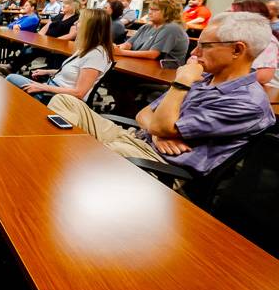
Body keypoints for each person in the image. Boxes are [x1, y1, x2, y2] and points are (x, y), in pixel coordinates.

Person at [48, 11, 275, 177]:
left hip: (162, 165)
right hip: (137, 137)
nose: (194, 53)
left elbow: (159, 124)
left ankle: (61, 170)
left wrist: (181, 83)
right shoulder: (203, 77)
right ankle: (62, 162)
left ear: (237, 49)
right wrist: (158, 132)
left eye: (204, 46)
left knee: (103, 154)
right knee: (65, 101)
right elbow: (145, 113)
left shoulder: (248, 103)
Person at [6, 9, 114, 103]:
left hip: (58, 98)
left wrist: (43, 87)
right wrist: (47, 71)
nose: (76, 23)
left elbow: (79, 93)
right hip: (51, 89)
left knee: (11, 80)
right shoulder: (87, 48)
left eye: (80, 21)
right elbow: (73, 72)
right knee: (12, 83)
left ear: (91, 27)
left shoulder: (96, 55)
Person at [4, 0, 81, 74]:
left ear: (73, 6)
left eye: (66, 4)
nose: (63, 5)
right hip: (46, 43)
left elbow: (72, 35)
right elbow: (45, 28)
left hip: (59, 46)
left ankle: (12, 68)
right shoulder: (59, 16)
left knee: (30, 51)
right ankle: (11, 67)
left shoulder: (76, 18)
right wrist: (38, 38)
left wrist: (54, 41)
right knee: (27, 49)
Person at [116, 0, 188, 64]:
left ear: (169, 13)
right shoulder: (147, 26)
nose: (150, 12)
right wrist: (116, 48)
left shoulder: (172, 28)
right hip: (141, 65)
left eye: (155, 10)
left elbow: (152, 54)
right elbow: (129, 43)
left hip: (163, 73)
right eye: (150, 9)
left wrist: (121, 52)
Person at [230, 0, 279, 88]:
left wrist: (224, 76)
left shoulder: (267, 41)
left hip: (261, 88)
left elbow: (263, 77)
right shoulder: (235, 35)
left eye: (231, 15)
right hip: (235, 84)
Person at [0, 0, 40, 67]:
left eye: (26, 5)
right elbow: (11, 25)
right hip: (9, 37)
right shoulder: (25, 16)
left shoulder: (33, 18)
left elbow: (16, 27)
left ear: (32, 8)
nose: (23, 7)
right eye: (24, 5)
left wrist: (12, 26)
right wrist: (12, 26)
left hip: (14, 40)